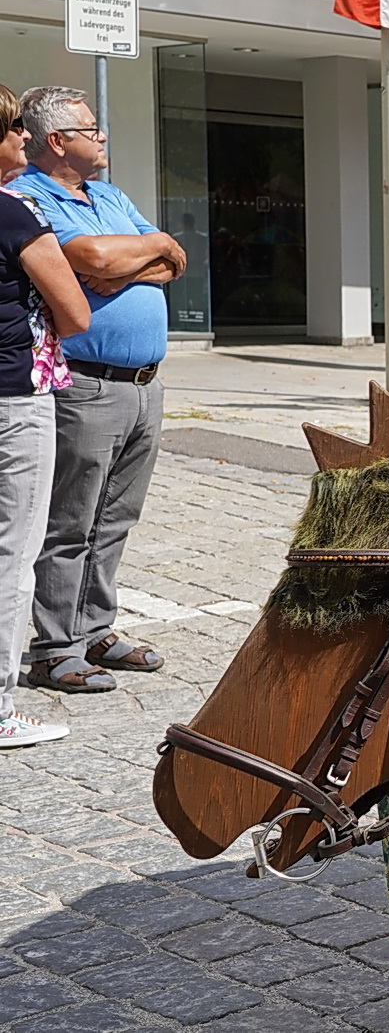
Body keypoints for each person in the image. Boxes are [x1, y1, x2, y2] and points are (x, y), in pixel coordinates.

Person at [8, 85, 184, 694]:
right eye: (91, 128)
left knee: (115, 517)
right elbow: (92, 257)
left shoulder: (108, 195)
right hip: (86, 384)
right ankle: (56, 648)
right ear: (57, 140)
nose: (103, 135)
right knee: (71, 520)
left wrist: (135, 258)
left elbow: (174, 260)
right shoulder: (30, 195)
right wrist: (137, 253)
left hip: (144, 384)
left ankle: (95, 630)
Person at [0, 85, 88, 745]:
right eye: (13, 128)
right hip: (14, 400)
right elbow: (75, 313)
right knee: (13, 550)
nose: (24, 136)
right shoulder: (15, 213)